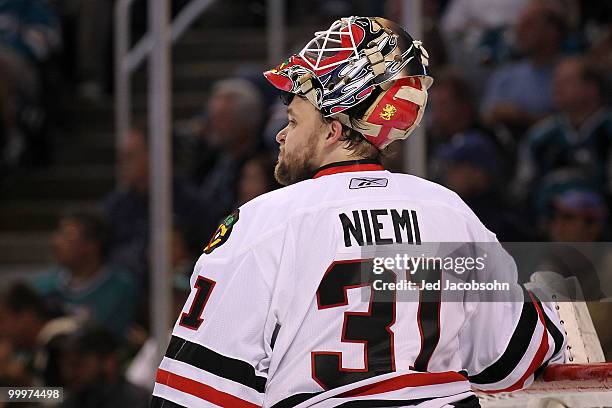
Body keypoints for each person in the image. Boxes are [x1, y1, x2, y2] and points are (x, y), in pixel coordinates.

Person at [152, 17, 566, 407]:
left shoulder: (263, 223)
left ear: (334, 129)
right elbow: (513, 362)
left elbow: (193, 395)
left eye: (294, 121)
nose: (281, 134)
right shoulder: (449, 211)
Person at [33, 211, 138, 338]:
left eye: (67, 236)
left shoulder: (120, 289)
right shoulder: (42, 287)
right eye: (58, 234)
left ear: (92, 245)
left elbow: (106, 337)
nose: (56, 242)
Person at [480, 1, 566, 135]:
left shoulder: (569, 74)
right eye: (519, 26)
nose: (519, 32)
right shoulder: (505, 74)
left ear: (552, 31)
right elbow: (485, 118)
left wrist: (523, 117)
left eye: (529, 26)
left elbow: (573, 123)